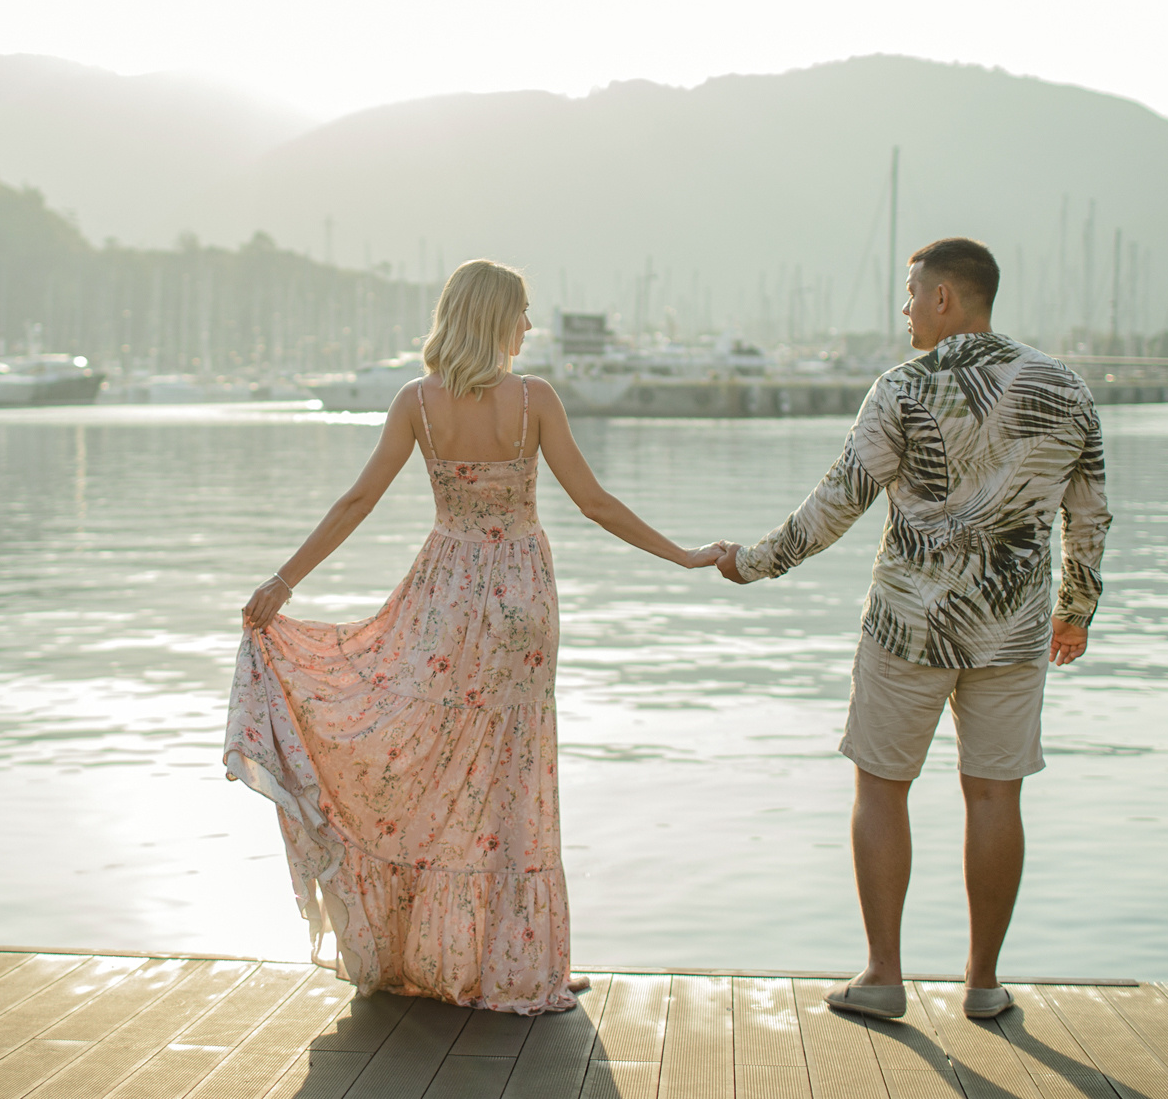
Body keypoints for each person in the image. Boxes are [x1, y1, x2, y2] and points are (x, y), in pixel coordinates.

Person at [225, 259, 721, 1015]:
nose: (530, 327)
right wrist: (682, 554)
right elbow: (595, 503)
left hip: (444, 593)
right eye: (523, 313)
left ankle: (425, 948)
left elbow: (358, 498)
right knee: (515, 771)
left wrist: (283, 581)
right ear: (496, 319)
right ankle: (517, 966)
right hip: (521, 594)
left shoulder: (417, 402)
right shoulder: (534, 401)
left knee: (428, 757)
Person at [712, 237, 1110, 1021]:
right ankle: (984, 983)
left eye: (910, 293)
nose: (903, 310)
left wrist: (753, 562)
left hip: (909, 628)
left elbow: (839, 500)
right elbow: (1089, 512)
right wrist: (1076, 608)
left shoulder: (904, 387)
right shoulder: (1066, 390)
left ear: (944, 299)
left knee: (882, 787)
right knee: (997, 796)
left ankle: (884, 975)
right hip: (1014, 630)